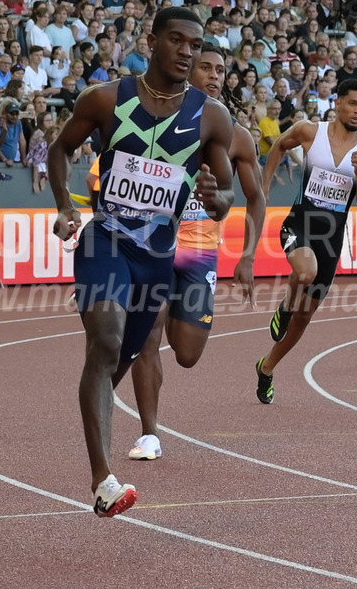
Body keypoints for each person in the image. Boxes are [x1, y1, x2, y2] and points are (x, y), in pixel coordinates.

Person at [47, 7, 236, 517]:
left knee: (117, 361)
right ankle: (103, 480)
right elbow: (59, 150)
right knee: (106, 340)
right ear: (151, 42)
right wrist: (64, 205)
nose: (186, 52)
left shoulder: (212, 117)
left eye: (194, 44)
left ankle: (97, 420)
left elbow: (226, 196)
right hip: (105, 240)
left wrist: (214, 196)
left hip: (157, 258)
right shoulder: (106, 98)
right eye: (176, 40)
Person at [127, 43, 267, 461]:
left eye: (220, 70)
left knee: (187, 354)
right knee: (147, 336)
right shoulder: (157, 122)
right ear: (188, 71)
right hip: (153, 247)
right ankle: (149, 434)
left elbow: (256, 198)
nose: (214, 76)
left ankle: (174, 309)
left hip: (200, 255)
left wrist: (248, 256)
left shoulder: (237, 136)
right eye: (205, 67)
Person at [256, 79, 357, 404]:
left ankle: (266, 368)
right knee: (304, 272)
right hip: (299, 223)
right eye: (352, 103)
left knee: (305, 317)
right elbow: (279, 145)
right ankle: (285, 305)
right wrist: (263, 188)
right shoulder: (311, 131)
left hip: (331, 239)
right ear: (337, 103)